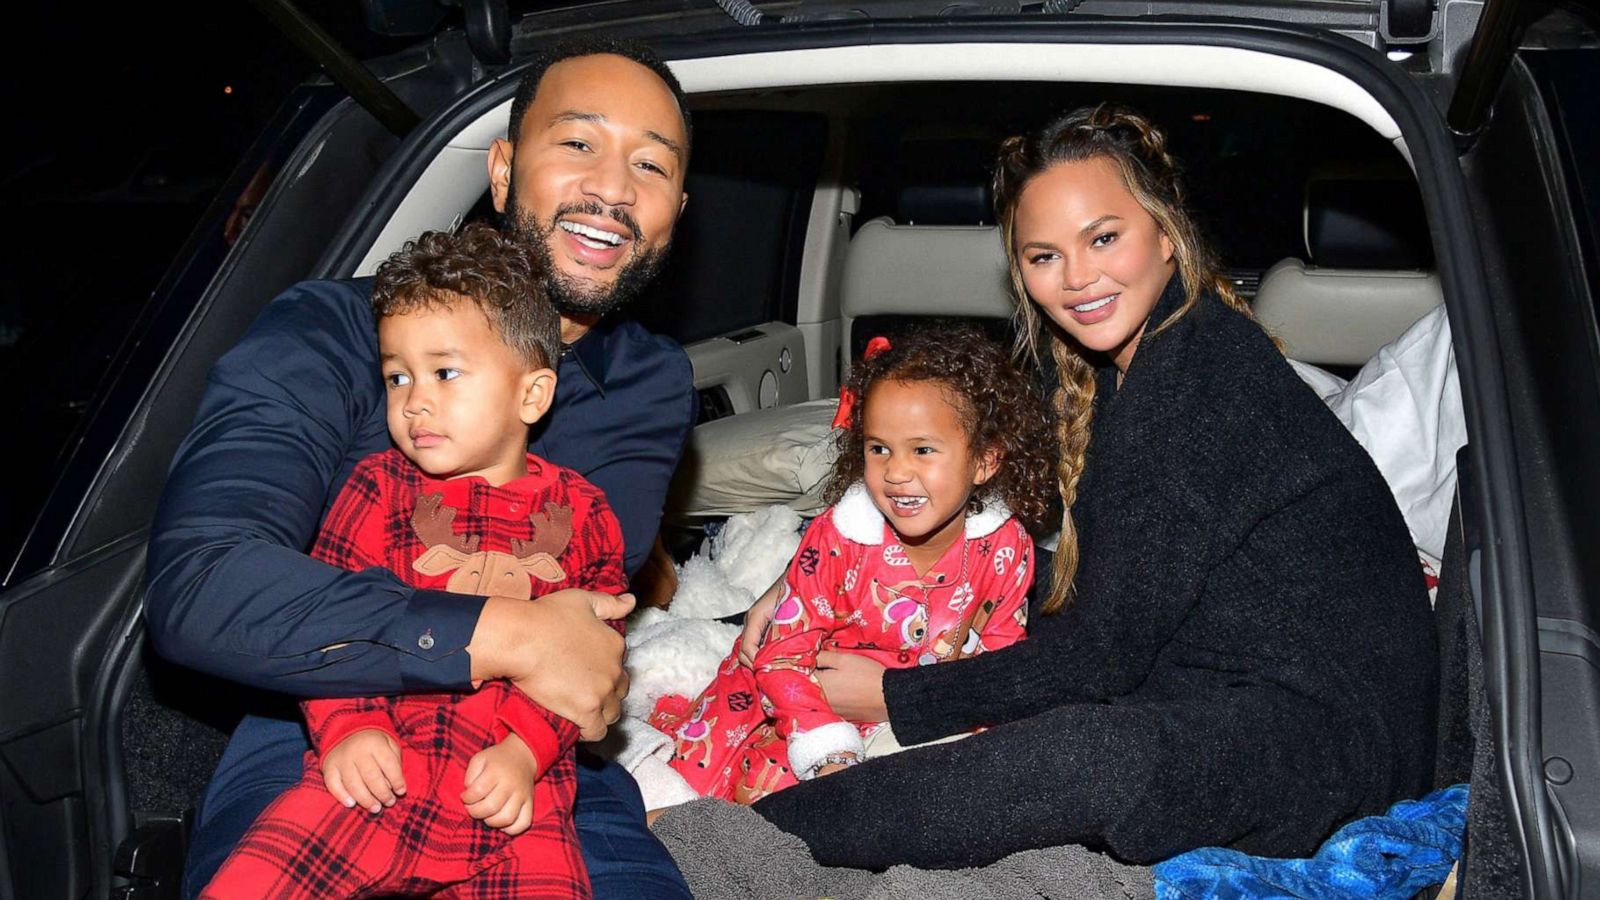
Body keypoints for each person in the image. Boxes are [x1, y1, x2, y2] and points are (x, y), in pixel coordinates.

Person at [735, 105, 1438, 869]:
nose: (1076, 279)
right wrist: (800, 576)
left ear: (1167, 235)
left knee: (1090, 756)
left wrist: (897, 698)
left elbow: (1104, 653)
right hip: (1221, 681)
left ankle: (739, 841)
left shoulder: (1200, 382)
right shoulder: (1105, 364)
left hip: (1328, 745)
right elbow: (965, 495)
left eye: (1103, 238)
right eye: (1043, 255)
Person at [146, 37, 697, 900]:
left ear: (676, 209)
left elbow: (592, 612)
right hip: (324, 735)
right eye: (579, 143)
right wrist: (506, 634)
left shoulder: (648, 383)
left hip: (542, 764)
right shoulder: (332, 334)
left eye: (651, 167)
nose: (615, 189)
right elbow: (204, 584)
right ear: (506, 170)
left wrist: (545, 680)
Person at [200, 225, 624, 898]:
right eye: (398, 376)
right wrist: (349, 729)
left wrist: (527, 751)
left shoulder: (585, 513)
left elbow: (591, 661)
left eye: (445, 372)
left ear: (532, 395)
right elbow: (329, 621)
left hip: (516, 800)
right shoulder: (375, 488)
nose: (414, 400)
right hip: (374, 781)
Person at [650, 327, 1055, 804]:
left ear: (985, 462)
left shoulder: (1006, 548)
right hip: (799, 694)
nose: (896, 471)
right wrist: (825, 746)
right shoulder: (839, 539)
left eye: (922, 450)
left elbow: (1001, 656)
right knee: (741, 792)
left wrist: (978, 731)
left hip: (912, 705)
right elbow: (781, 656)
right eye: (879, 448)